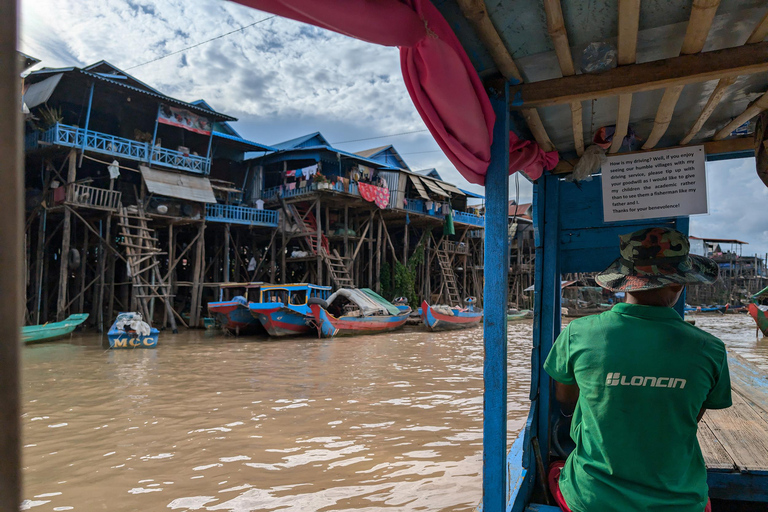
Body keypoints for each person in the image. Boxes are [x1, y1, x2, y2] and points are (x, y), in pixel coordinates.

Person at [544, 227, 732, 512]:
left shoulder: (578, 333)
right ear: (679, 284)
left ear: (624, 282)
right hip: (680, 503)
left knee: (558, 467)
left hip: (593, 501)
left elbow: (565, 399)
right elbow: (691, 415)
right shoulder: (710, 349)